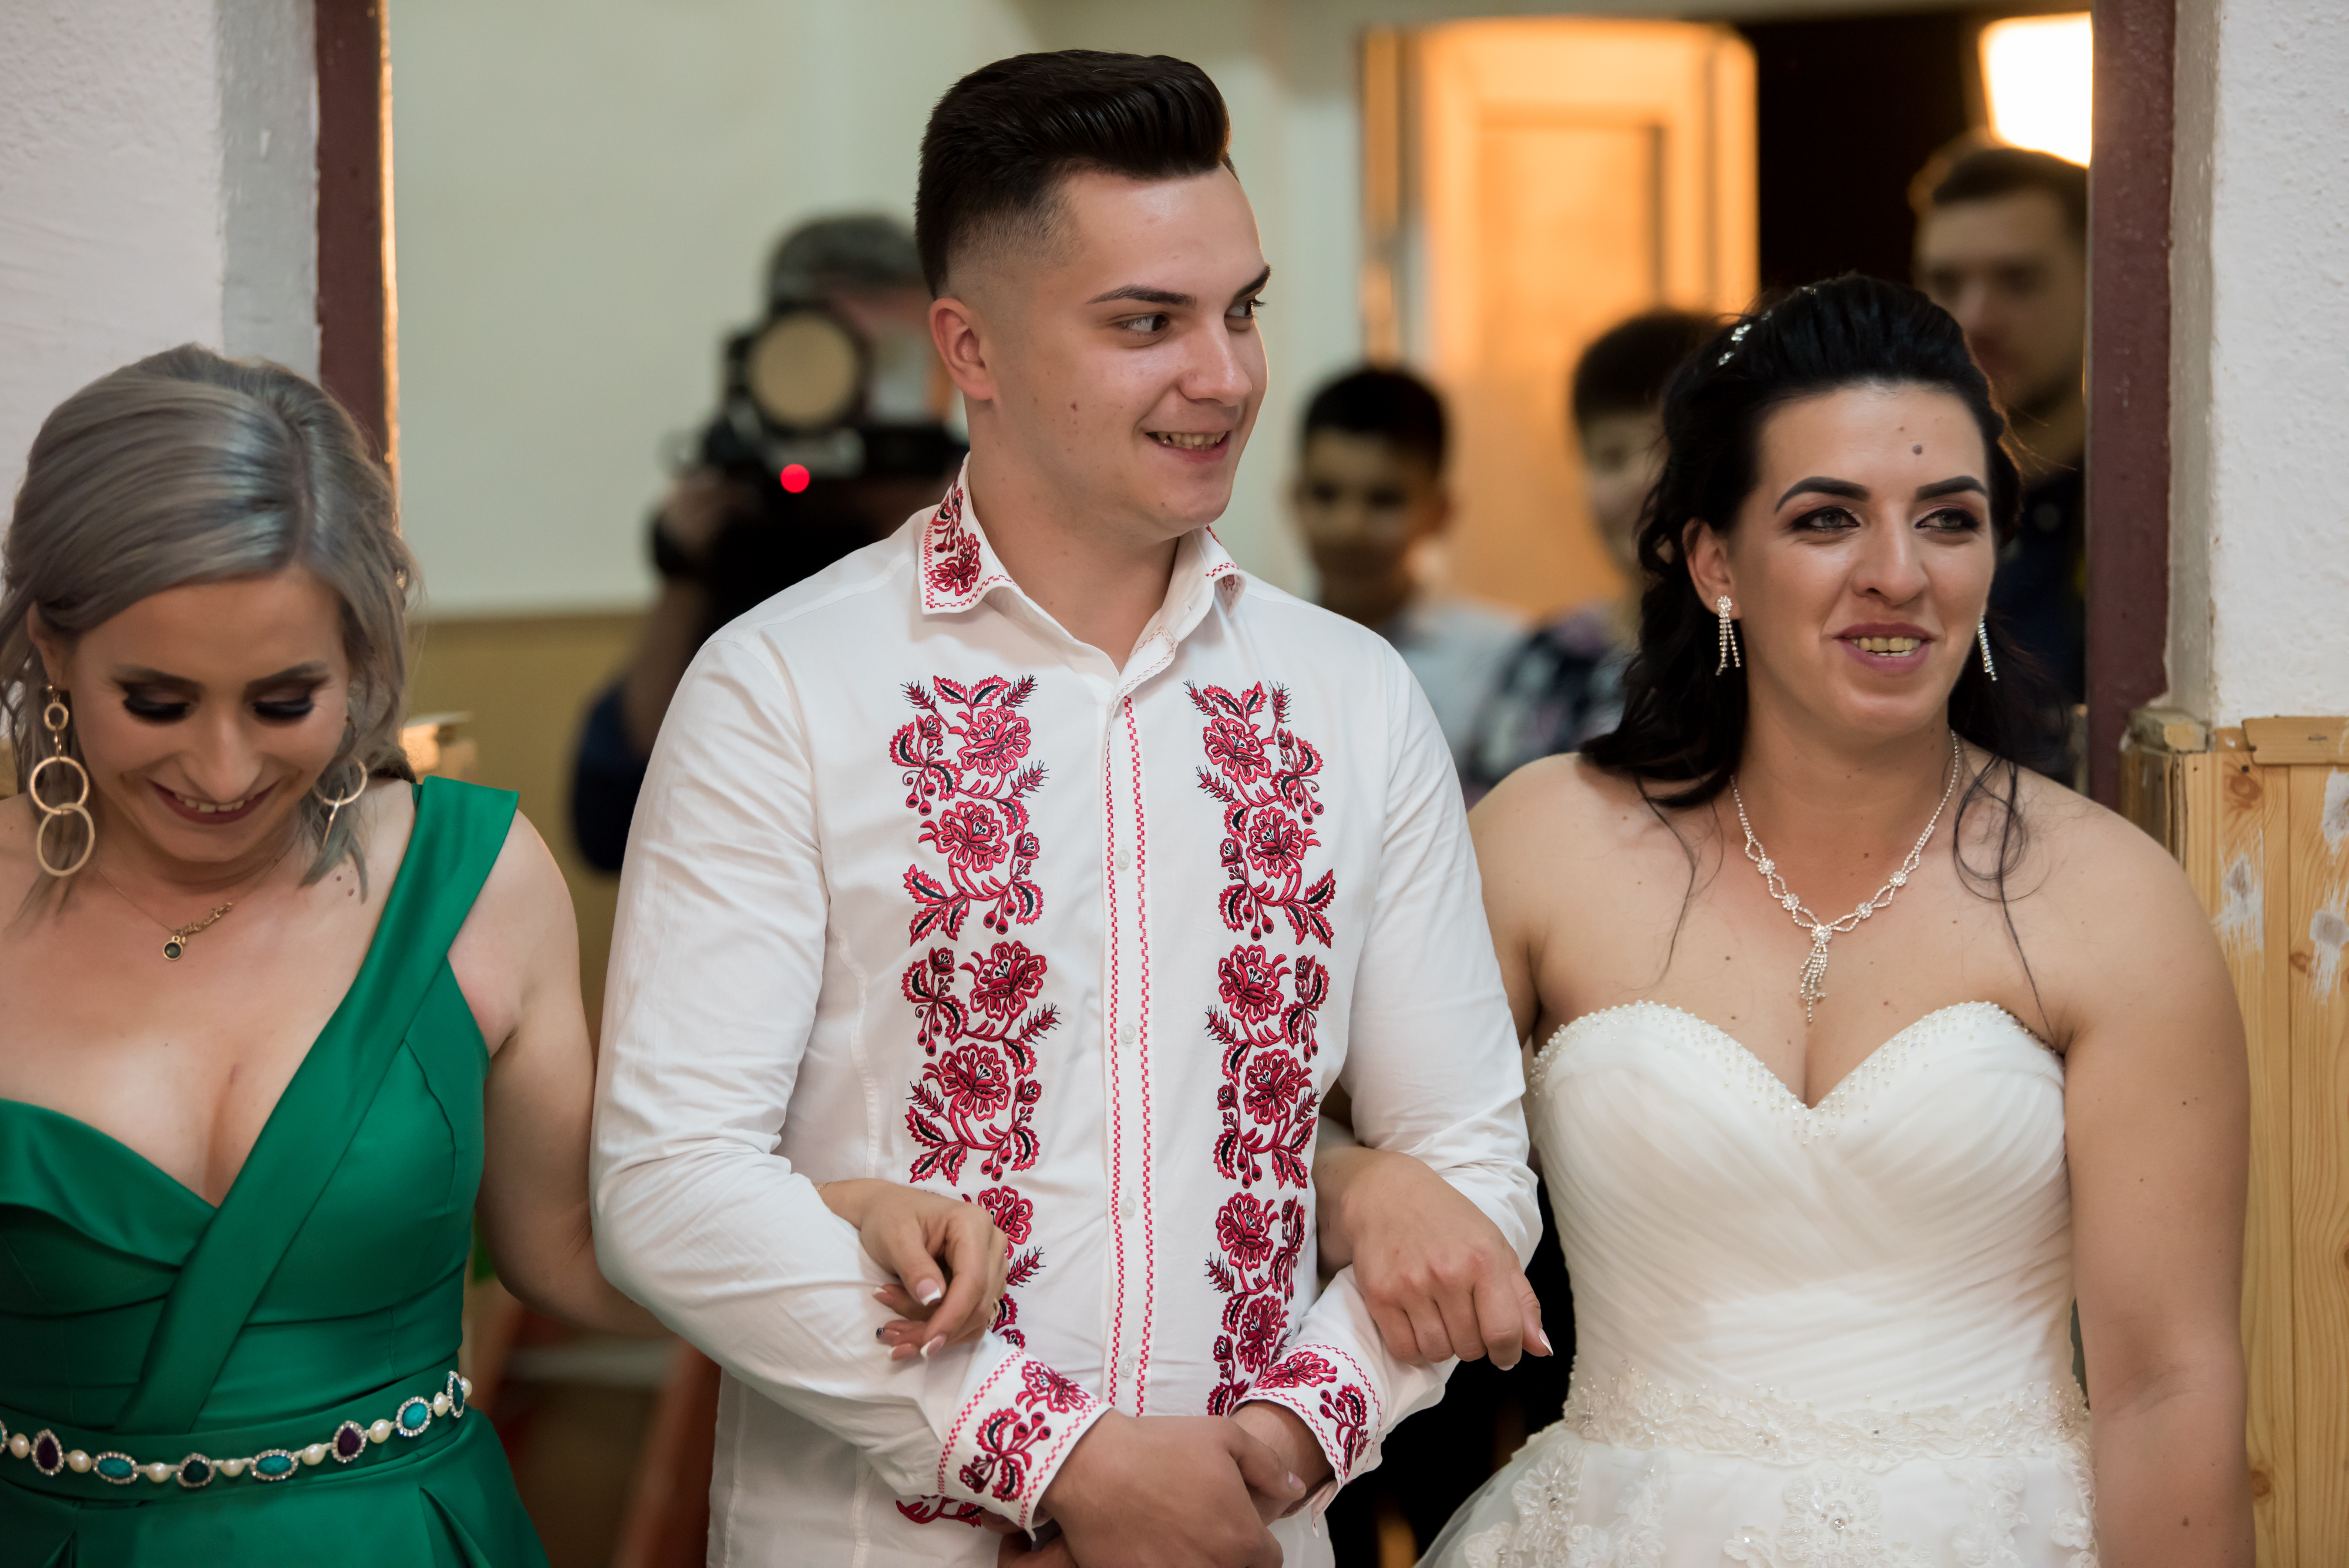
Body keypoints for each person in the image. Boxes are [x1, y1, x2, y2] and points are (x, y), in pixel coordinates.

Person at [589, 51, 1545, 1568]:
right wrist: (1057, 1455)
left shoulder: (1349, 698)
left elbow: (1469, 1157)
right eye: (1146, 322)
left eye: (1240, 310)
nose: (1225, 376)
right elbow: (670, 1182)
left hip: (1250, 1535)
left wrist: (1288, 1436)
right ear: (968, 346)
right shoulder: (784, 686)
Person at [0, 346, 1008, 1566]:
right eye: (157, 703)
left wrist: (838, 1214)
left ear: (362, 662)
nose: (222, 769)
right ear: (53, 650)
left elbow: (578, 1256)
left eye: (284, 702)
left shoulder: (472, 881)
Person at [1406, 275, 2253, 1563]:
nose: (1897, 576)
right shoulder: (1544, 844)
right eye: (1825, 520)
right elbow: (1322, 1134)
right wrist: (1369, 1188)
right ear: (1714, 563)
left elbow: (2164, 1384)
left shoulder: (2109, 899)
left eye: (1948, 519)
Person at [570, 214, 961, 870]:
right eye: (839, 359)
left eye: (901, 362)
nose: (868, 398)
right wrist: (683, 567)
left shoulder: (979, 497)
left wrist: (936, 531)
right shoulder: (743, 506)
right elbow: (610, 823)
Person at [1463, 311, 1715, 798]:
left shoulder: (1769, 658)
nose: (1644, 484)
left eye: (1671, 453)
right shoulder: (1545, 663)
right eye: (1611, 458)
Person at [1914, 144, 2088, 722]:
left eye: (2018, 280)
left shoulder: (2151, 526)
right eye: (1946, 282)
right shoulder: (1881, 512)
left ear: (2101, 285)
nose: (1974, 318)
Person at [1290, 367, 1522, 778]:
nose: (1350, 528)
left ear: (1440, 513)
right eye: (1326, 494)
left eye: (1384, 500)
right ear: (1294, 498)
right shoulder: (1249, 650)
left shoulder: (1507, 660)